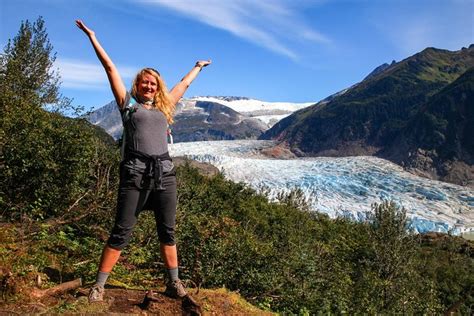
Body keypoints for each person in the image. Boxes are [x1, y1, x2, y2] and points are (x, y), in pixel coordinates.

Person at [76, 19, 211, 302]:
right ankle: (99, 285)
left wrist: (197, 67)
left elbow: (183, 85)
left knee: (168, 230)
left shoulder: (166, 106)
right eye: (144, 81)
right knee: (121, 230)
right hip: (135, 174)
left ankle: (174, 283)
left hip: (164, 174)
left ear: (157, 87)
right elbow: (110, 68)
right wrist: (92, 36)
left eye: (153, 83)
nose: (149, 85)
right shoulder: (127, 105)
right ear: (137, 85)